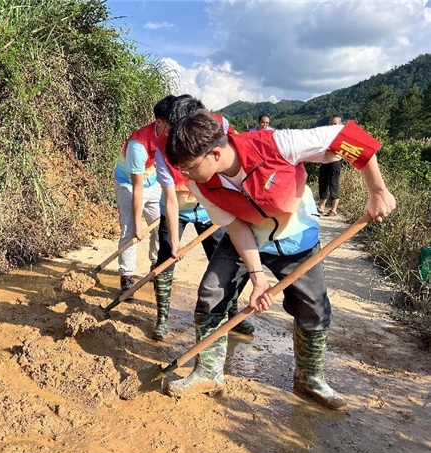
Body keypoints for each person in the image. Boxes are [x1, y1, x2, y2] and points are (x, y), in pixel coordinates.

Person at [163, 111, 396, 409]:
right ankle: (208, 371)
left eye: (190, 167)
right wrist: (258, 277)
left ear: (215, 152)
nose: (186, 176)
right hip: (246, 237)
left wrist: (377, 190)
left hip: (296, 238)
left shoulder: (277, 144)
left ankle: (309, 378)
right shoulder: (200, 182)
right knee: (212, 293)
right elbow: (235, 226)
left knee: (313, 307)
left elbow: (350, 137)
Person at [152, 95, 254, 341]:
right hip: (177, 208)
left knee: (225, 266)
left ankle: (232, 312)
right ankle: (162, 318)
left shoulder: (220, 127)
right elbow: (171, 198)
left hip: (212, 210)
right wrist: (175, 241)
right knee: (165, 259)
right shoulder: (163, 151)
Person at [114, 95, 175, 296]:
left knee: (160, 226)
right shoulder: (137, 145)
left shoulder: (169, 135)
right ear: (159, 121)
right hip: (129, 183)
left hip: (152, 181)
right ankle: (127, 275)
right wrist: (139, 225)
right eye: (171, 121)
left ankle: (155, 266)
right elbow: (137, 188)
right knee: (130, 229)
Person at [318, 115, 344, 216]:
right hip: (325, 162)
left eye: (335, 123)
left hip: (335, 162)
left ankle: (334, 209)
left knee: (334, 184)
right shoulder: (327, 134)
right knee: (323, 184)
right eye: (331, 123)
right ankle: (321, 207)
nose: (332, 125)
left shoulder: (342, 136)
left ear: (340, 124)